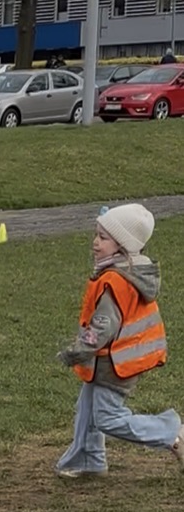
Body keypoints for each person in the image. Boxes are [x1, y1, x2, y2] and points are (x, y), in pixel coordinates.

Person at [55, 203, 180, 478]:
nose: (95, 242)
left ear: (123, 247)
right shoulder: (126, 272)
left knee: (107, 418)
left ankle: (172, 433)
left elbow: (103, 326)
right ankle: (88, 459)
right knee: (87, 408)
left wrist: (78, 350)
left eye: (103, 237)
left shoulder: (116, 280)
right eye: (96, 235)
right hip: (112, 360)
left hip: (117, 364)